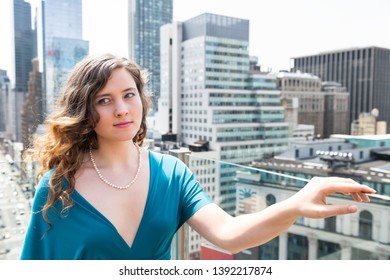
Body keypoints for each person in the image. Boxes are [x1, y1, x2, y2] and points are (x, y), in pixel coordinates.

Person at [20, 53, 376, 260]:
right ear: (85, 109)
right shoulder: (58, 188)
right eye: (104, 100)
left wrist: (295, 204)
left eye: (129, 94)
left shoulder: (172, 173)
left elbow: (229, 233)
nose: (121, 109)